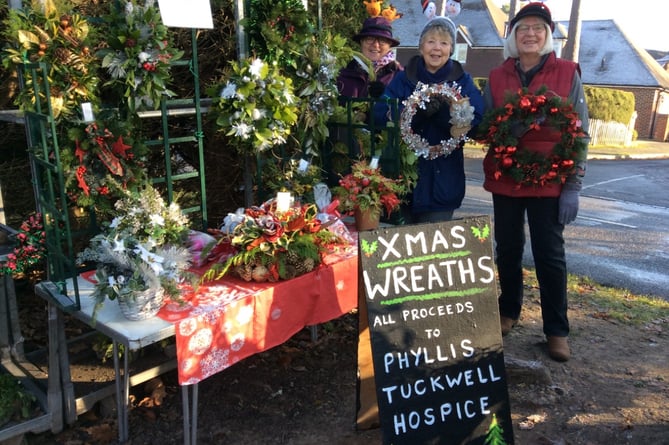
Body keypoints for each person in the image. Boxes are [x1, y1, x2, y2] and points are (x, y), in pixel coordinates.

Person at [480, 2, 590, 362]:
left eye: (537, 28)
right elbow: (487, 126)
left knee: (550, 255)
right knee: (507, 248)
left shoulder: (567, 71)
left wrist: (572, 185)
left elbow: (580, 130)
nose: (530, 33)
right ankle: (508, 310)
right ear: (513, 35)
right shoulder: (498, 76)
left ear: (547, 35)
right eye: (523, 28)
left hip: (550, 180)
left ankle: (556, 329)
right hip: (506, 175)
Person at [373, 16, 484, 223]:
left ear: (451, 49)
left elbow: (477, 118)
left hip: (444, 182)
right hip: (405, 183)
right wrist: (412, 115)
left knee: (434, 248)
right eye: (431, 42)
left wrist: (446, 116)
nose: (436, 48)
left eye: (443, 43)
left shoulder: (462, 81)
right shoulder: (403, 79)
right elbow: (380, 113)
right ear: (421, 46)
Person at [336, 16, 403, 98]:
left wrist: (385, 95)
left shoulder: (400, 75)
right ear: (361, 41)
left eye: (382, 40)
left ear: (389, 45)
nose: (375, 45)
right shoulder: (344, 71)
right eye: (370, 39)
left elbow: (407, 107)